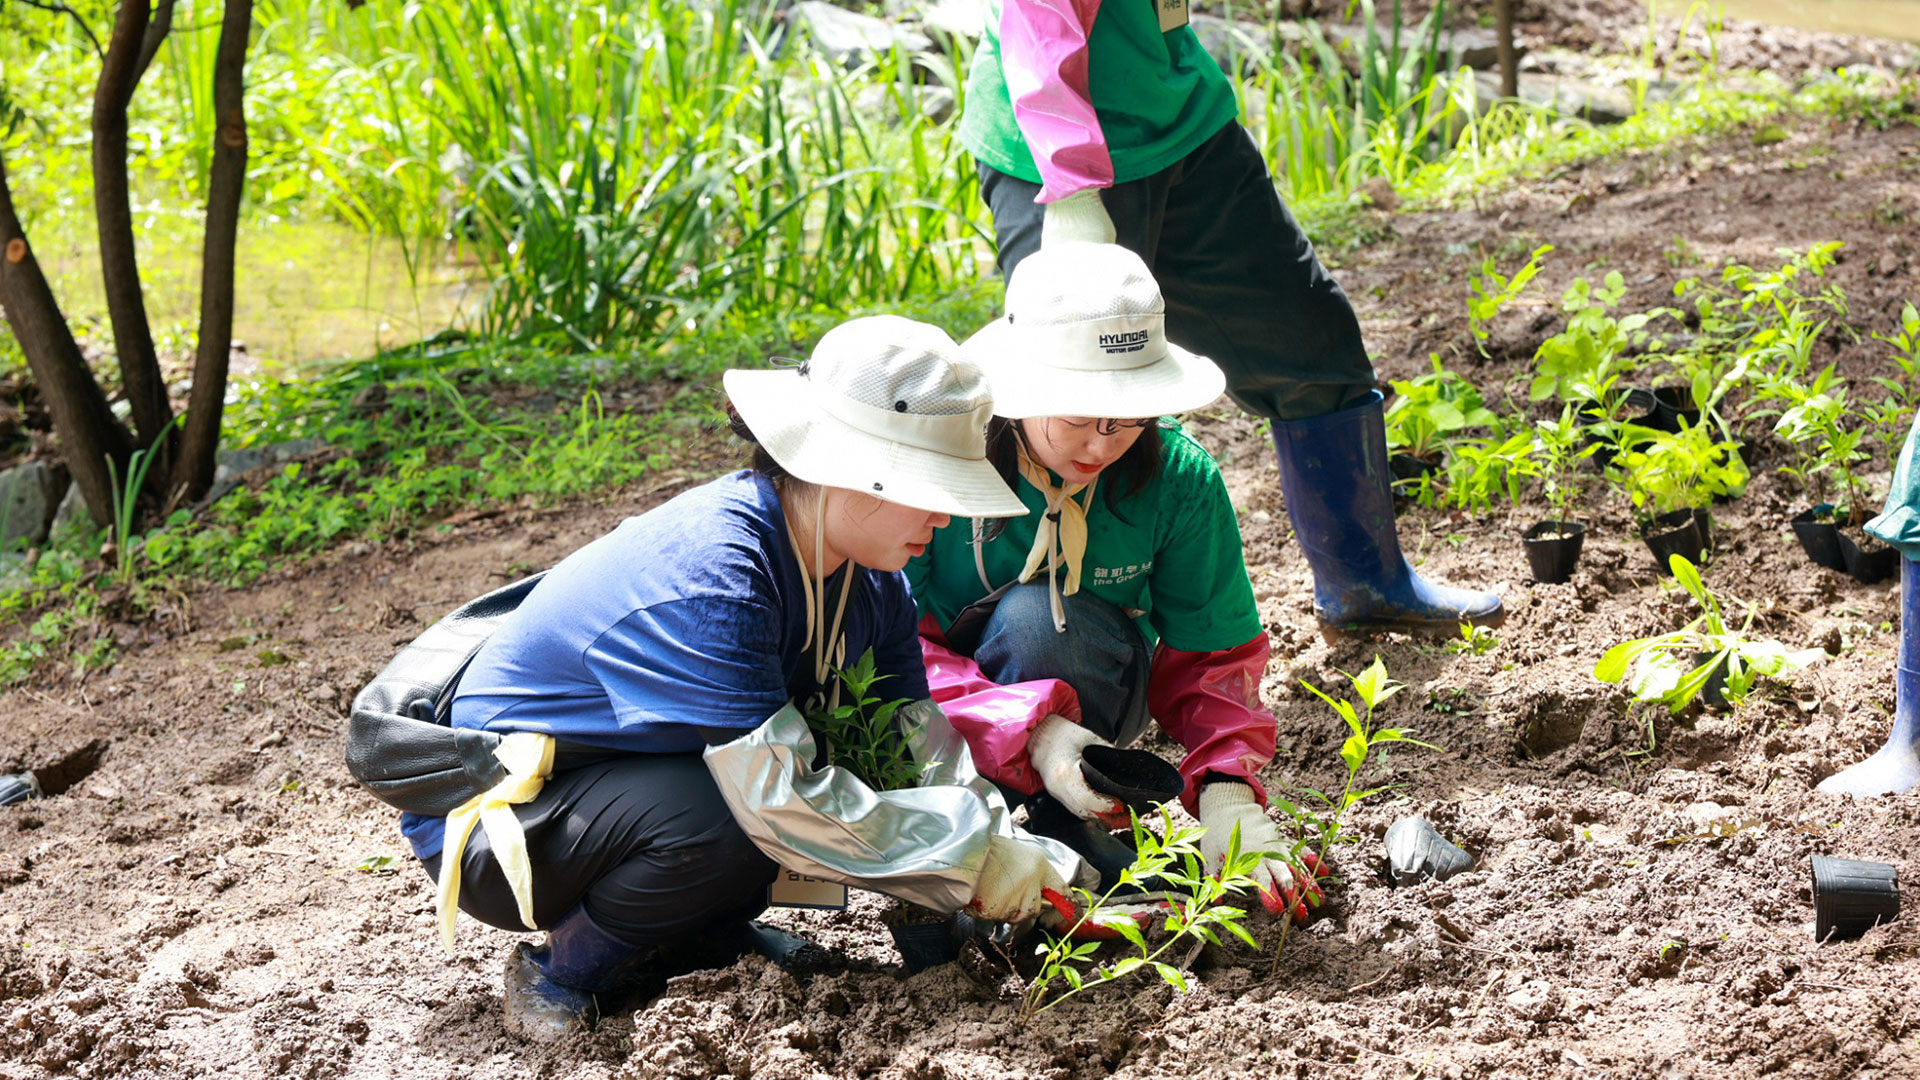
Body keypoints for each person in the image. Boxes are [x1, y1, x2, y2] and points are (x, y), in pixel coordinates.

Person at [367, 316, 1090, 1042]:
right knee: (741, 814)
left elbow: (916, 746)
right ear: (849, 466)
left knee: (788, 778)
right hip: (501, 821)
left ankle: (702, 940)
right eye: (929, 487)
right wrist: (985, 864)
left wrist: (1016, 856)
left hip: (626, 783)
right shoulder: (723, 577)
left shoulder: (873, 586)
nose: (943, 513)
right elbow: (778, 804)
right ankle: (561, 971)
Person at [955, 0, 1503, 636]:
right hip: (1058, 140)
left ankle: (1365, 582)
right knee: (1068, 389)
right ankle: (1044, 643)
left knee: (1307, 337)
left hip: (1178, 119)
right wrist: (1072, 185)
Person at [906, 242, 1320, 918]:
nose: (1103, 445)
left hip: (1093, 694)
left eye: (1129, 418)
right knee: (1028, 617)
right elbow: (893, 651)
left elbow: (1212, 658)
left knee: (1042, 625)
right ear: (1021, 391)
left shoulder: (1179, 482)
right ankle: (997, 837)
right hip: (939, 714)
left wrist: (1226, 795)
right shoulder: (945, 470)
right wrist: (1031, 731)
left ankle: (1070, 824)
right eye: (1078, 417)